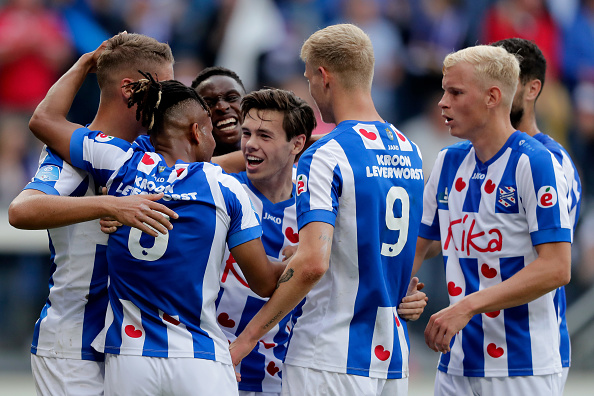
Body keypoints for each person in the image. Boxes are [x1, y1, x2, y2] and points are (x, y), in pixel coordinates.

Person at [29, 68, 286, 395]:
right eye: (209, 132)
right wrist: (292, 263)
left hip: (130, 358)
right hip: (200, 357)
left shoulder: (121, 162)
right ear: (196, 131)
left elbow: (43, 120)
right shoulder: (224, 186)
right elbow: (263, 282)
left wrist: (85, 62)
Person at [230, 23, 426, 396]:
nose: (310, 90)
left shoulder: (326, 154)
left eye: (308, 78)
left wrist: (246, 341)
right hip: (391, 358)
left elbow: (313, 264)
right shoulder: (409, 149)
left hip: (330, 355)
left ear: (323, 76)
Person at [8, 32, 177, 396]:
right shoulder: (71, 150)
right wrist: (110, 205)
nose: (169, 100)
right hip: (74, 343)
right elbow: (22, 211)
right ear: (130, 89)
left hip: (130, 344)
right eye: (164, 88)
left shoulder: (147, 151)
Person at [414, 45, 572, 396]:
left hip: (521, 365)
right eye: (444, 91)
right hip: (454, 362)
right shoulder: (447, 161)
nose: (442, 102)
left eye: (455, 92)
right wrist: (403, 288)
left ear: (493, 97)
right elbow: (419, 244)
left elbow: (557, 269)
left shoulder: (536, 163)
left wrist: (467, 306)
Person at [492, 37, 583, 391]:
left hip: (529, 352)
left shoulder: (550, 164)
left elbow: (554, 264)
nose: (494, 92)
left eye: (506, 82)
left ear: (533, 89)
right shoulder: (464, 157)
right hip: (464, 351)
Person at [216, 87, 314, 395]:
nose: (250, 145)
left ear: (297, 143)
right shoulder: (219, 189)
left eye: (265, 136)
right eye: (247, 133)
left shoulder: (319, 202)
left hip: (284, 376)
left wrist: (402, 292)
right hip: (213, 367)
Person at [191, 66, 247, 156]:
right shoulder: (189, 168)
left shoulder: (274, 161)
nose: (222, 107)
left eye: (232, 98)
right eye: (208, 103)